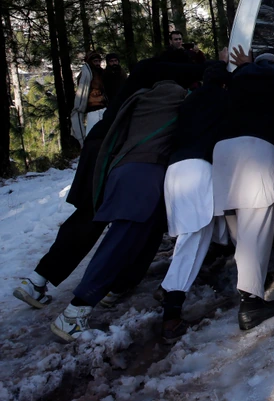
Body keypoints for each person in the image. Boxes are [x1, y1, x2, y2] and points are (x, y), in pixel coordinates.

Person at [13, 58, 211, 312]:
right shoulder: (163, 87)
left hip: (100, 143)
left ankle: (37, 279)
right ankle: (117, 285)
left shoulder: (140, 80)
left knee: (87, 216)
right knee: (143, 221)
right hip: (118, 150)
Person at [50, 79, 187, 341]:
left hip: (122, 173)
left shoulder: (142, 104)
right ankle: (74, 313)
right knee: (119, 242)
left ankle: (115, 288)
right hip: (144, 178)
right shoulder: (174, 104)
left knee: (140, 237)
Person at [212, 46, 274, 331]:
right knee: (257, 224)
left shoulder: (240, 76)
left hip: (222, 152)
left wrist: (241, 65)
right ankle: (251, 303)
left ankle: (248, 284)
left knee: (238, 227)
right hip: (257, 148)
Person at [159, 63, 231, 342]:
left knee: (189, 239)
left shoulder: (190, 100)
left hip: (174, 171)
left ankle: (168, 290)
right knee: (192, 242)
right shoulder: (224, 98)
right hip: (198, 170)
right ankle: (171, 314)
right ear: (225, 84)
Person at [70, 52, 107, 147]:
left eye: (99, 61)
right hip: (92, 108)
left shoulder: (102, 73)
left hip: (103, 106)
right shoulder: (86, 74)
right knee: (92, 135)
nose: (97, 63)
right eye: (95, 61)